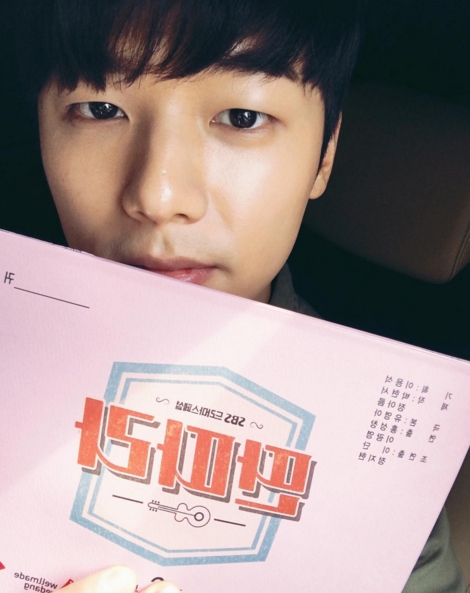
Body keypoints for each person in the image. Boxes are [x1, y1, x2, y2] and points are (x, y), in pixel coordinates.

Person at [14, 0, 465, 591]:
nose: (159, 196)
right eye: (100, 109)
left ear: (324, 156)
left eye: (242, 118)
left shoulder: (379, 475)